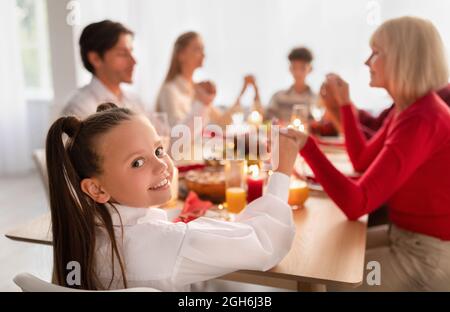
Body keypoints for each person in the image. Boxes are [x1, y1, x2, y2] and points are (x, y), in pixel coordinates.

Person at [45, 102, 301, 291]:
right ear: (96, 189)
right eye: (137, 163)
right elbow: (266, 243)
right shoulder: (169, 244)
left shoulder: (79, 234)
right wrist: (282, 170)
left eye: (158, 150)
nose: (161, 166)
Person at [291, 16, 450, 291]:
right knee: (322, 261)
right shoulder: (407, 108)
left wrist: (307, 147)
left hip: (426, 255)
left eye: (376, 53)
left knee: (333, 280)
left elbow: (358, 203)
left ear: (404, 59)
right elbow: (362, 160)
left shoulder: (422, 118)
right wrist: (344, 106)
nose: (367, 62)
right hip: (403, 236)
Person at [155, 31, 240, 131]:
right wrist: (203, 102)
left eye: (203, 49)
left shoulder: (197, 89)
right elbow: (177, 135)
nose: (203, 54)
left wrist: (242, 91)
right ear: (181, 55)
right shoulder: (169, 91)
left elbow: (223, 123)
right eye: (197, 49)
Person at [62, 20, 145, 118]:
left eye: (131, 52)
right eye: (122, 54)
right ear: (95, 59)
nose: (134, 61)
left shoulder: (135, 102)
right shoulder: (79, 109)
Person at [266, 47, 317, 124]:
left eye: (302, 68)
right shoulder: (278, 96)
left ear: (310, 69)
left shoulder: (317, 99)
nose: (298, 73)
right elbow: (267, 118)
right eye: (294, 67)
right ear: (290, 68)